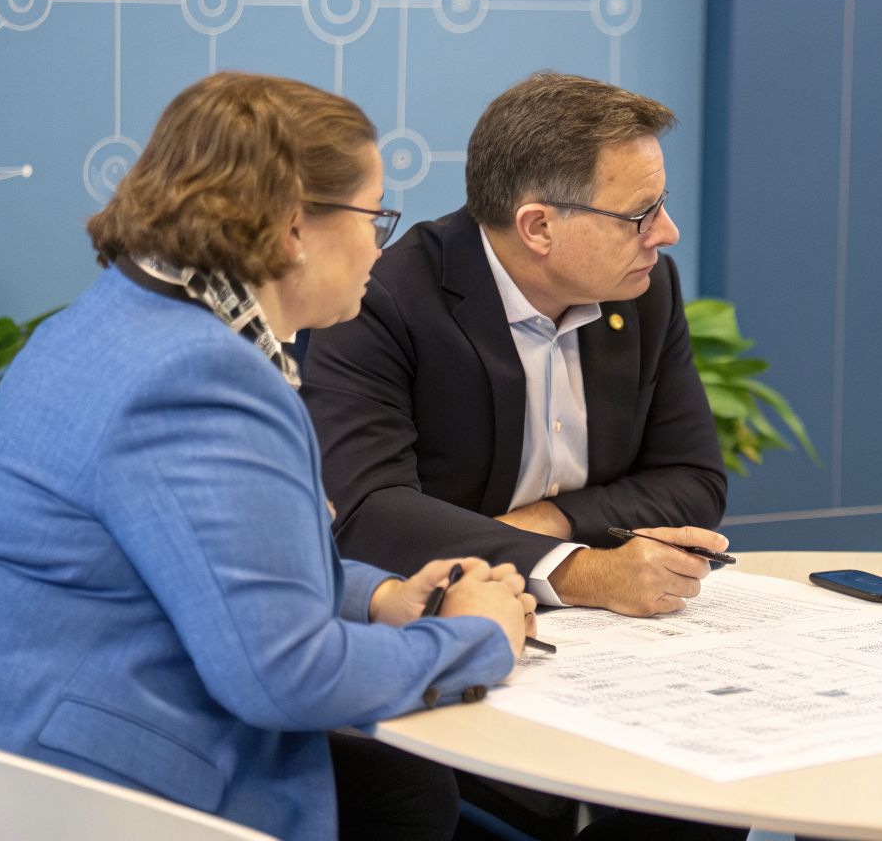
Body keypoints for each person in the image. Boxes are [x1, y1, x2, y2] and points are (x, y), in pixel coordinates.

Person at [0, 72, 537, 841]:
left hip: (14, 744)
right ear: (294, 228)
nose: (377, 246)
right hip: (105, 792)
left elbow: (210, 564)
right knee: (416, 797)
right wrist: (480, 639)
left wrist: (379, 598)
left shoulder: (113, 322)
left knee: (408, 793)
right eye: (374, 217)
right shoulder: (199, 375)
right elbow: (284, 676)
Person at [301, 71, 729, 618]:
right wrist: (577, 570)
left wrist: (553, 520)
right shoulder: (385, 299)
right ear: (538, 228)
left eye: (661, 204)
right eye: (639, 216)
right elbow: (366, 512)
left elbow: (692, 479)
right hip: (450, 620)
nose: (666, 233)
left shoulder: (643, 290)